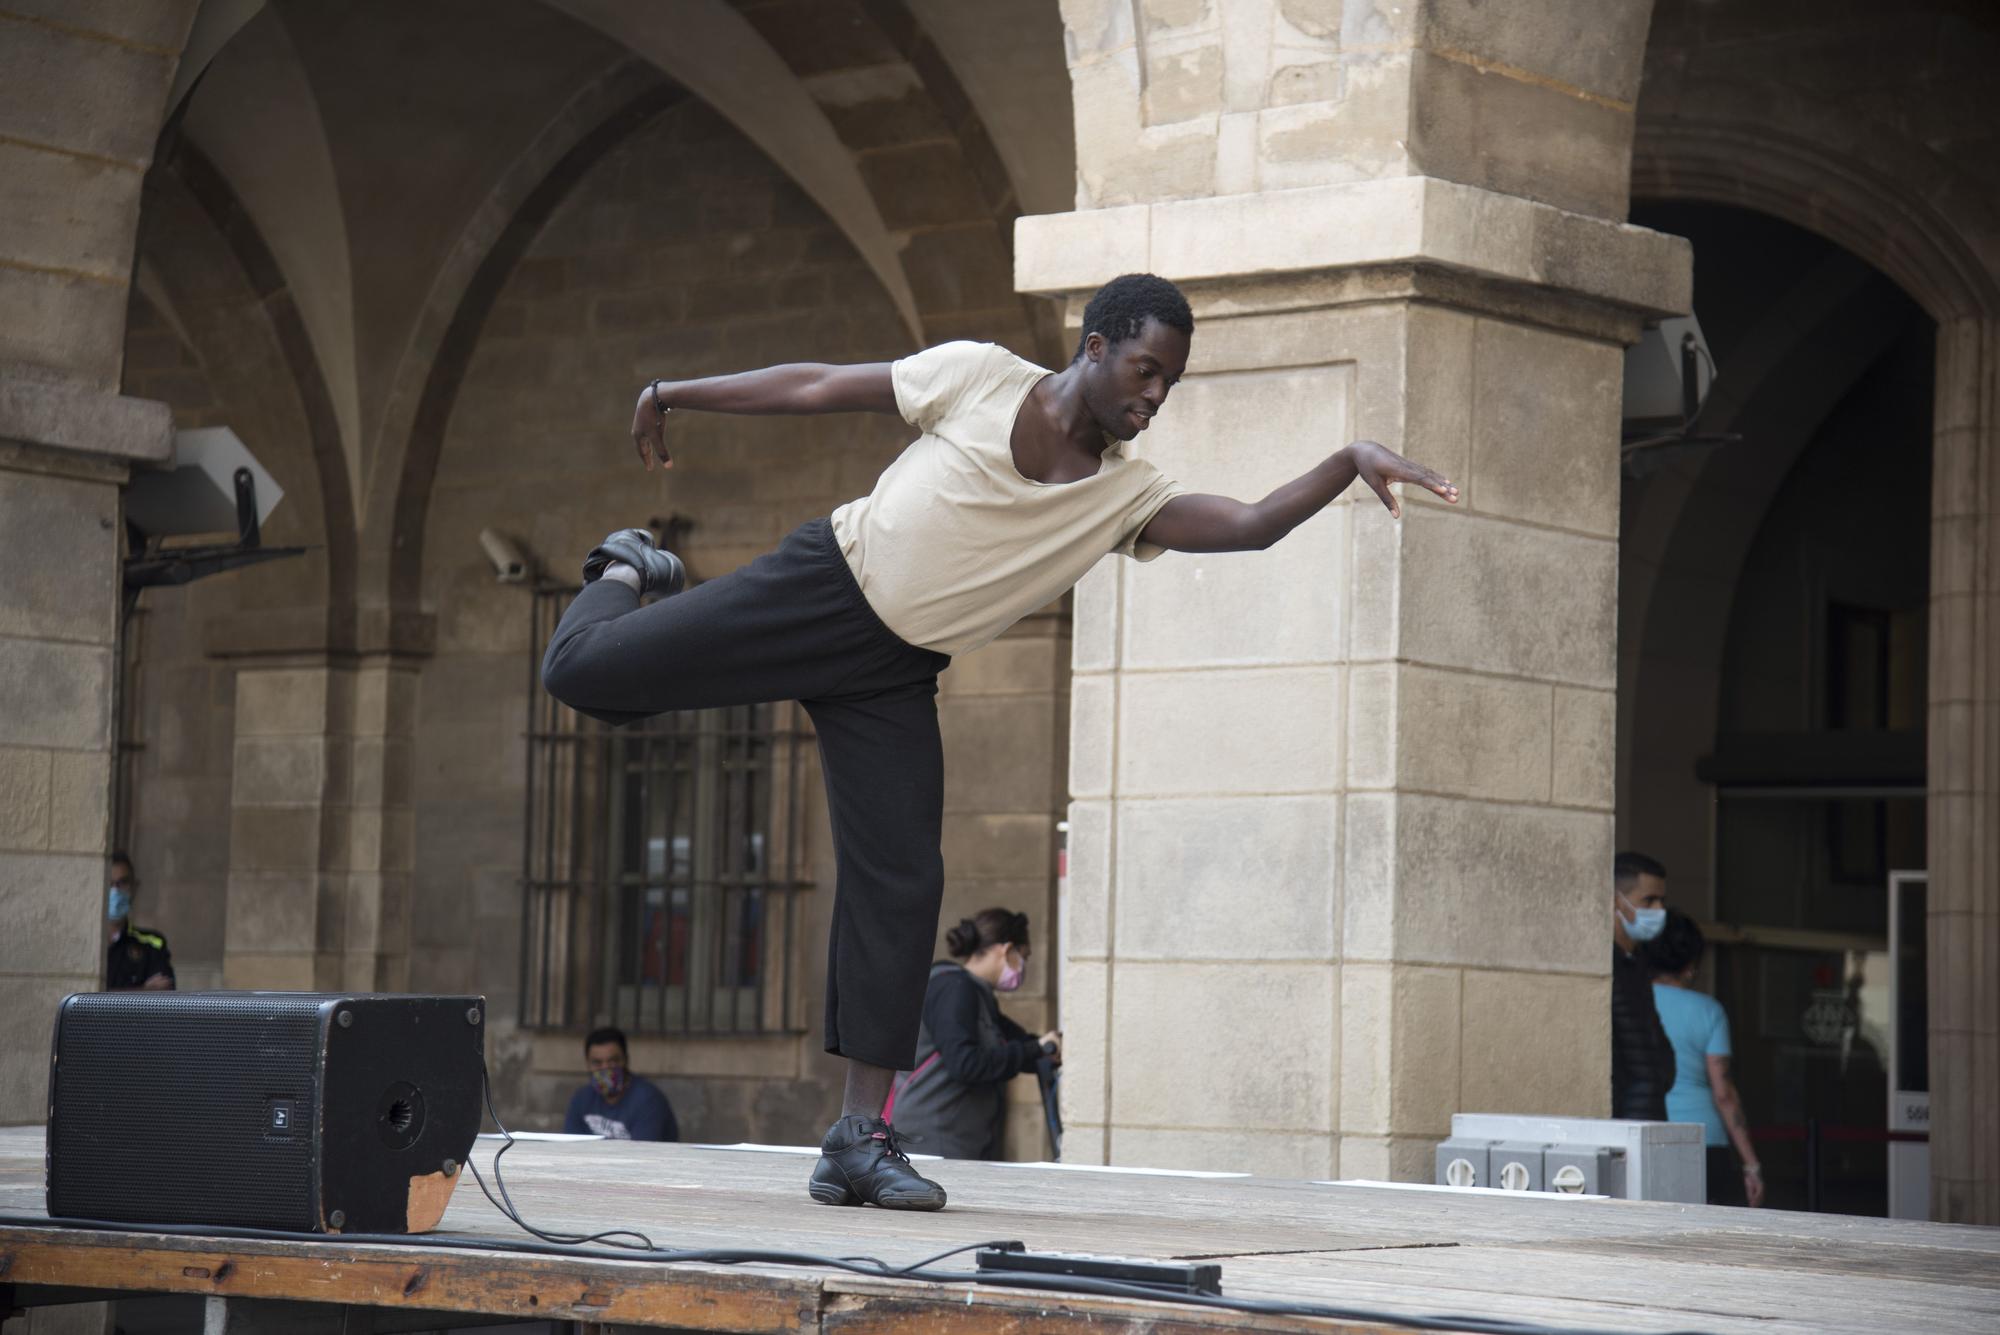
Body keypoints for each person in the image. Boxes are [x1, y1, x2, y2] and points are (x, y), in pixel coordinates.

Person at [540, 273, 1458, 1210]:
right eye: (1146, 369)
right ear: (1094, 346)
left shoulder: (1123, 494)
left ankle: (858, 1135)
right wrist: (674, 393)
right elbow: (821, 384)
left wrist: (1346, 460)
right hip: (823, 586)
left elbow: (1252, 525)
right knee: (583, 676)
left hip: (895, 673)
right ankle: (623, 564)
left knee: (902, 879)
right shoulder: (979, 377)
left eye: (1171, 384)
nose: (1155, 395)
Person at [884, 909, 1059, 1160]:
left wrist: (1044, 1049)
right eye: (1024, 956)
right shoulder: (954, 989)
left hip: (957, 1139)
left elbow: (1018, 1044)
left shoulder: (976, 995)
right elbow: (965, 1064)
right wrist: (1037, 1049)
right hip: (935, 1141)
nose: (1022, 967)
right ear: (1006, 950)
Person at [1642, 910, 1764, 1207]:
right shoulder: (1709, 1011)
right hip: (1706, 1139)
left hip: (1646, 1133)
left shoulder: (1633, 1002)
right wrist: (1751, 1164)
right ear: (1691, 964)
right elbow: (1724, 1094)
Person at [1611, 850, 1674, 1121]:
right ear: (1615, 900)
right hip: (1624, 1119)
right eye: (1649, 900)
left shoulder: (1636, 962)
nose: (1659, 910)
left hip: (1646, 1115)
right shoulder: (1602, 966)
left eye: (1662, 900)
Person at [562, 1026, 680, 1141]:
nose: (605, 1068)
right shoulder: (582, 1099)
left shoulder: (648, 1100)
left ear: (626, 1060)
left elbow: (641, 1154)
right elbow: (571, 1148)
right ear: (587, 1064)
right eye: (597, 1063)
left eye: (612, 1061)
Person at [104, 852, 174, 991]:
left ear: (134, 888)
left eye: (122, 883)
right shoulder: (83, 943)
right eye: (109, 883)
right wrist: (143, 990)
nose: (115, 891)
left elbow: (164, 998)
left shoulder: (153, 943)